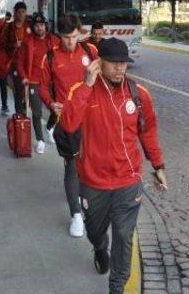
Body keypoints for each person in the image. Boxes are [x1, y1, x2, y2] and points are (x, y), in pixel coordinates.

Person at [60, 38, 167, 293]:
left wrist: (158, 164)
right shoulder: (82, 90)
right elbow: (68, 125)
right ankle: (99, 246)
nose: (120, 68)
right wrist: (87, 84)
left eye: (124, 63)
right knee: (95, 232)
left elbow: (148, 131)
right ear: (99, 63)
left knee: (123, 236)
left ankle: (116, 287)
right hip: (93, 183)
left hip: (128, 182)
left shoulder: (139, 95)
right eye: (114, 63)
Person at [40, 14, 98, 237]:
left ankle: (85, 198)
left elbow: (100, 81)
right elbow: (44, 88)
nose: (70, 42)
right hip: (68, 122)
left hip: (92, 118)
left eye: (74, 37)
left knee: (90, 164)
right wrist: (51, 103)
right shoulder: (50, 58)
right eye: (66, 38)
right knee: (72, 166)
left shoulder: (91, 52)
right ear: (58, 36)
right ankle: (75, 214)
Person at [17, 13, 60, 154]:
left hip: (52, 82)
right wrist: (24, 77)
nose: (39, 28)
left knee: (57, 108)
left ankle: (49, 127)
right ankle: (40, 139)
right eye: (36, 25)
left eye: (42, 25)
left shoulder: (54, 41)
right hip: (34, 82)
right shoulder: (27, 42)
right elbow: (20, 63)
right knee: (36, 112)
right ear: (33, 27)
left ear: (46, 26)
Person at [0, 2, 31, 115]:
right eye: (19, 12)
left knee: (28, 90)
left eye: (23, 12)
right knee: (18, 90)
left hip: (29, 63)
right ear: (15, 12)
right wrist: (13, 45)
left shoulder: (30, 26)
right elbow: (2, 44)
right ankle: (20, 115)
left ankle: (26, 110)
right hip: (14, 63)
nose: (21, 14)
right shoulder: (8, 28)